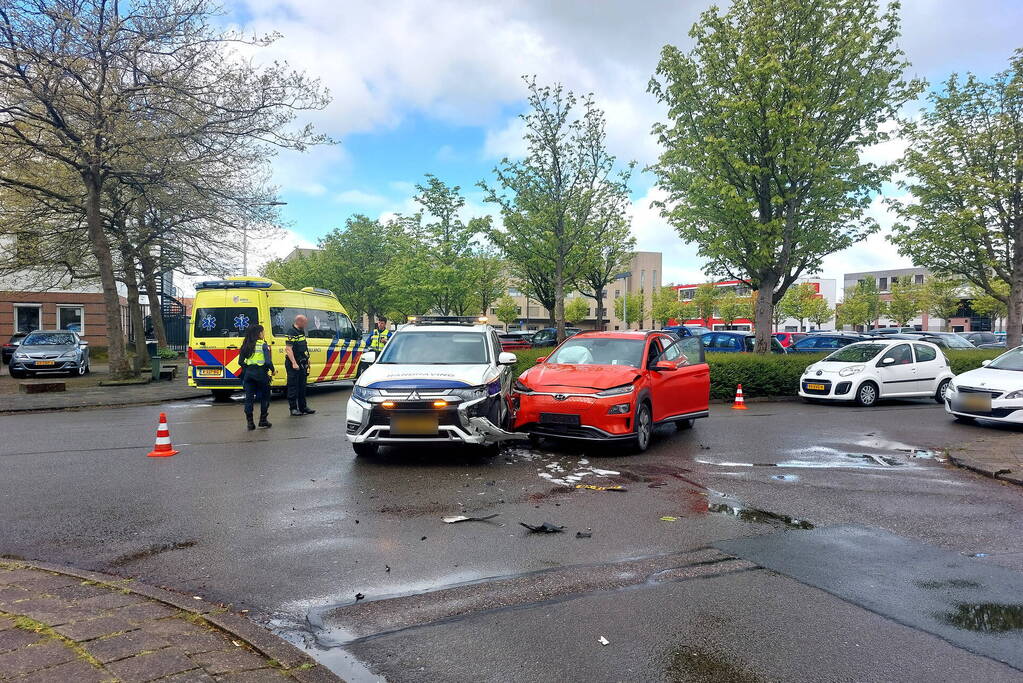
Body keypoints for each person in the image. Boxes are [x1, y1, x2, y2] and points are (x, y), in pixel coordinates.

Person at [238, 324, 274, 430]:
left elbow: (240, 362)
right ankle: (263, 420)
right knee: (265, 396)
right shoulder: (263, 345)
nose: (263, 334)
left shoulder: (245, 345)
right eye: (263, 332)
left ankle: (250, 423)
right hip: (261, 374)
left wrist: (248, 368)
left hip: (249, 375)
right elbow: (267, 361)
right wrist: (272, 369)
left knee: (249, 398)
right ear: (259, 333)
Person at [285, 314, 315, 416]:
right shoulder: (291, 332)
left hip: (302, 362)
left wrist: (307, 359)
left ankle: (303, 407)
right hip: (293, 363)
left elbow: (303, 347)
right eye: (305, 323)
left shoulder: (301, 331)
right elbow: (288, 349)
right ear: (299, 322)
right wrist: (294, 363)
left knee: (302, 386)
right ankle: (293, 408)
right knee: (293, 386)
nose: (306, 325)